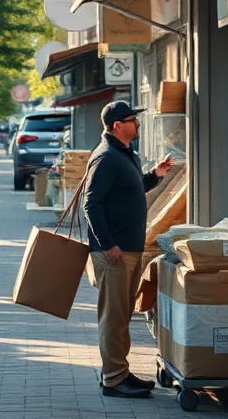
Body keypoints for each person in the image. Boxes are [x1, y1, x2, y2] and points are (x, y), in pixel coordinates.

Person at [83, 100, 173, 400]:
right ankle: (113, 380)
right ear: (117, 125)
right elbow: (91, 204)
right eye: (133, 119)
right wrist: (107, 244)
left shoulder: (124, 153)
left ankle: (121, 372)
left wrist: (154, 175)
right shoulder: (106, 157)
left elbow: (131, 189)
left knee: (121, 317)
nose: (138, 124)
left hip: (128, 249)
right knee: (113, 316)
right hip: (114, 253)